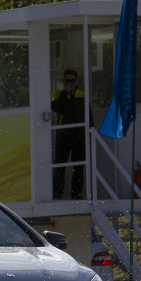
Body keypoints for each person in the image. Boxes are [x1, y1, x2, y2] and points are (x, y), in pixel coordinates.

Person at [51, 69, 87, 200]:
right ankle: (57, 194)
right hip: (63, 135)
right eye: (67, 81)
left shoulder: (82, 95)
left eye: (72, 81)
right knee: (60, 166)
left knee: (78, 167)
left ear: (76, 81)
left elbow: (88, 115)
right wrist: (65, 92)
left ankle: (76, 194)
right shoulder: (57, 94)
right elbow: (55, 108)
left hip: (79, 136)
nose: (70, 83)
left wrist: (89, 134)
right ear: (63, 81)